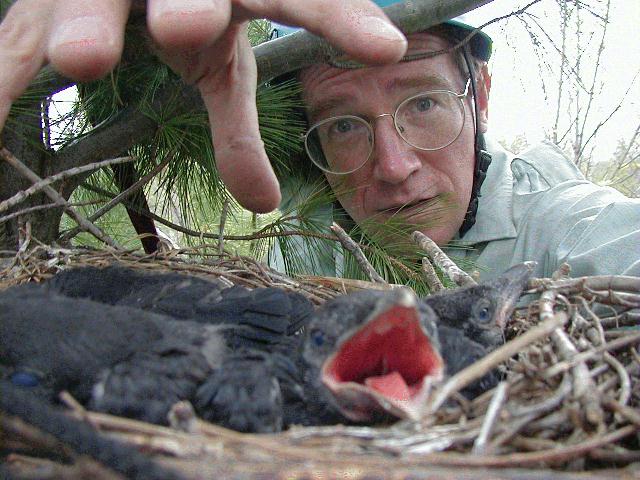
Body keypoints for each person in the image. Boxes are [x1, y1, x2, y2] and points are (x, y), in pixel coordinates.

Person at [1, 0, 638, 280]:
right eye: (342, 125)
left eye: (422, 102)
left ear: (482, 95)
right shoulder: (305, 236)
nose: (393, 167)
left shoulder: (569, 228)